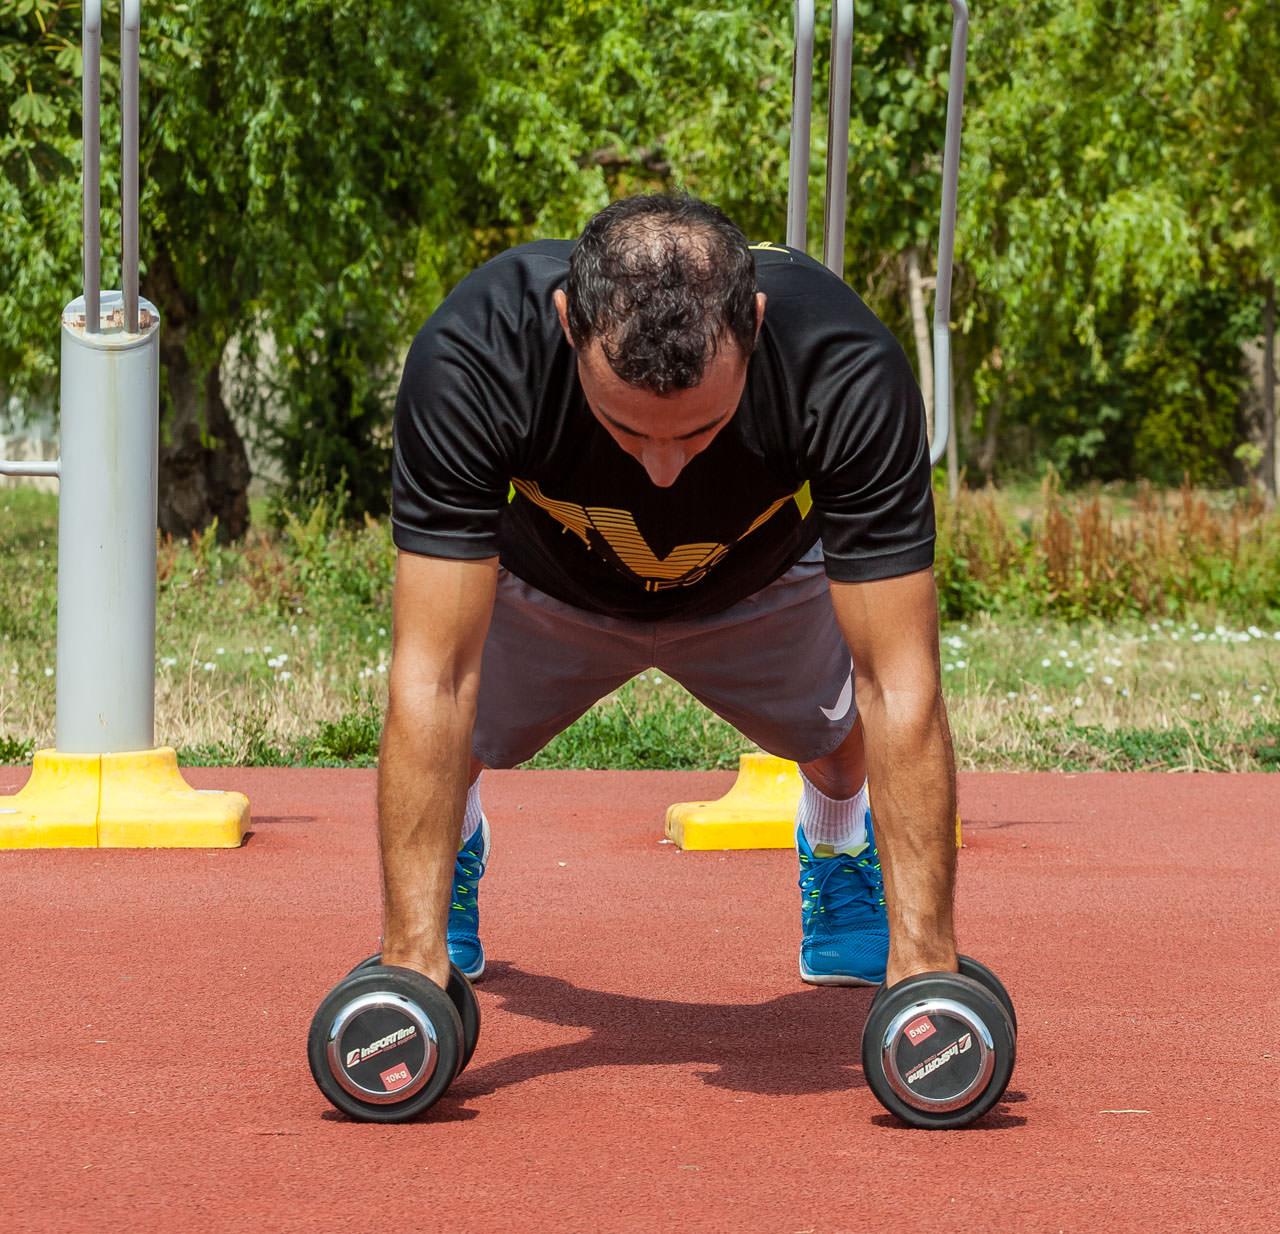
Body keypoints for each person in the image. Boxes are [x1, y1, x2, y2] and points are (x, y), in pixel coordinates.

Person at [379, 193, 958, 996]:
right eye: (625, 429)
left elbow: (900, 684)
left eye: (697, 430)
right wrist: (406, 970)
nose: (661, 469)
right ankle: (444, 880)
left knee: (843, 739)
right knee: (457, 732)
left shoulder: (843, 363)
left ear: (753, 325)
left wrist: (929, 972)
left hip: (757, 588)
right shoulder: (479, 351)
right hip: (550, 586)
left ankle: (837, 854)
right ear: (567, 324)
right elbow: (430, 675)